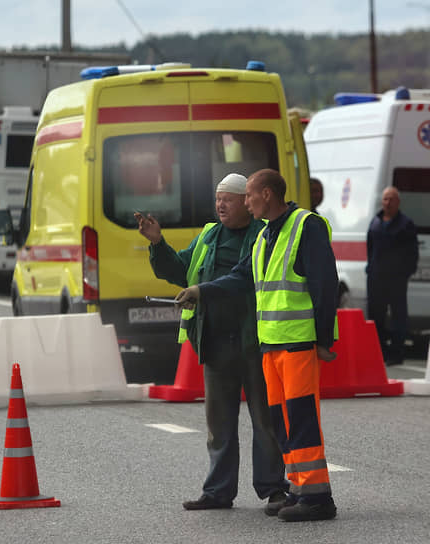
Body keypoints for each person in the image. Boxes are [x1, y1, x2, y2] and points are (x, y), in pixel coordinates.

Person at [175, 168, 340, 522]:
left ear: (266, 194)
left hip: (297, 344)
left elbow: (325, 286)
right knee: (283, 421)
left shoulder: (304, 226)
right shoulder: (267, 233)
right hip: (271, 346)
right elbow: (240, 276)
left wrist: (324, 340)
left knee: (301, 419)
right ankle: (297, 489)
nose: (246, 202)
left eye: (249, 195)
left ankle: (317, 496)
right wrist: (201, 291)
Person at [134, 173, 290, 513]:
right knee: (219, 423)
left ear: (247, 204)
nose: (221, 204)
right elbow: (180, 271)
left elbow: (243, 277)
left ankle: (274, 488)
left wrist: (202, 291)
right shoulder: (209, 235)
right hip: (216, 342)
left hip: (254, 341)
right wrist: (157, 243)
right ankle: (218, 491)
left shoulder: (261, 236)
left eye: (229, 199)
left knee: (265, 421)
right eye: (218, 198)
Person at [366, 186, 419, 367]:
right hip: (376, 278)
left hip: (396, 278)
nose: (388, 203)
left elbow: (412, 253)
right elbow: (370, 248)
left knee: (398, 317)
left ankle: (397, 353)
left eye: (392, 199)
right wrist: (370, 269)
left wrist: (405, 272)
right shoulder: (375, 222)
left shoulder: (406, 224)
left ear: (398, 202)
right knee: (376, 317)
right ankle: (379, 352)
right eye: (385, 199)